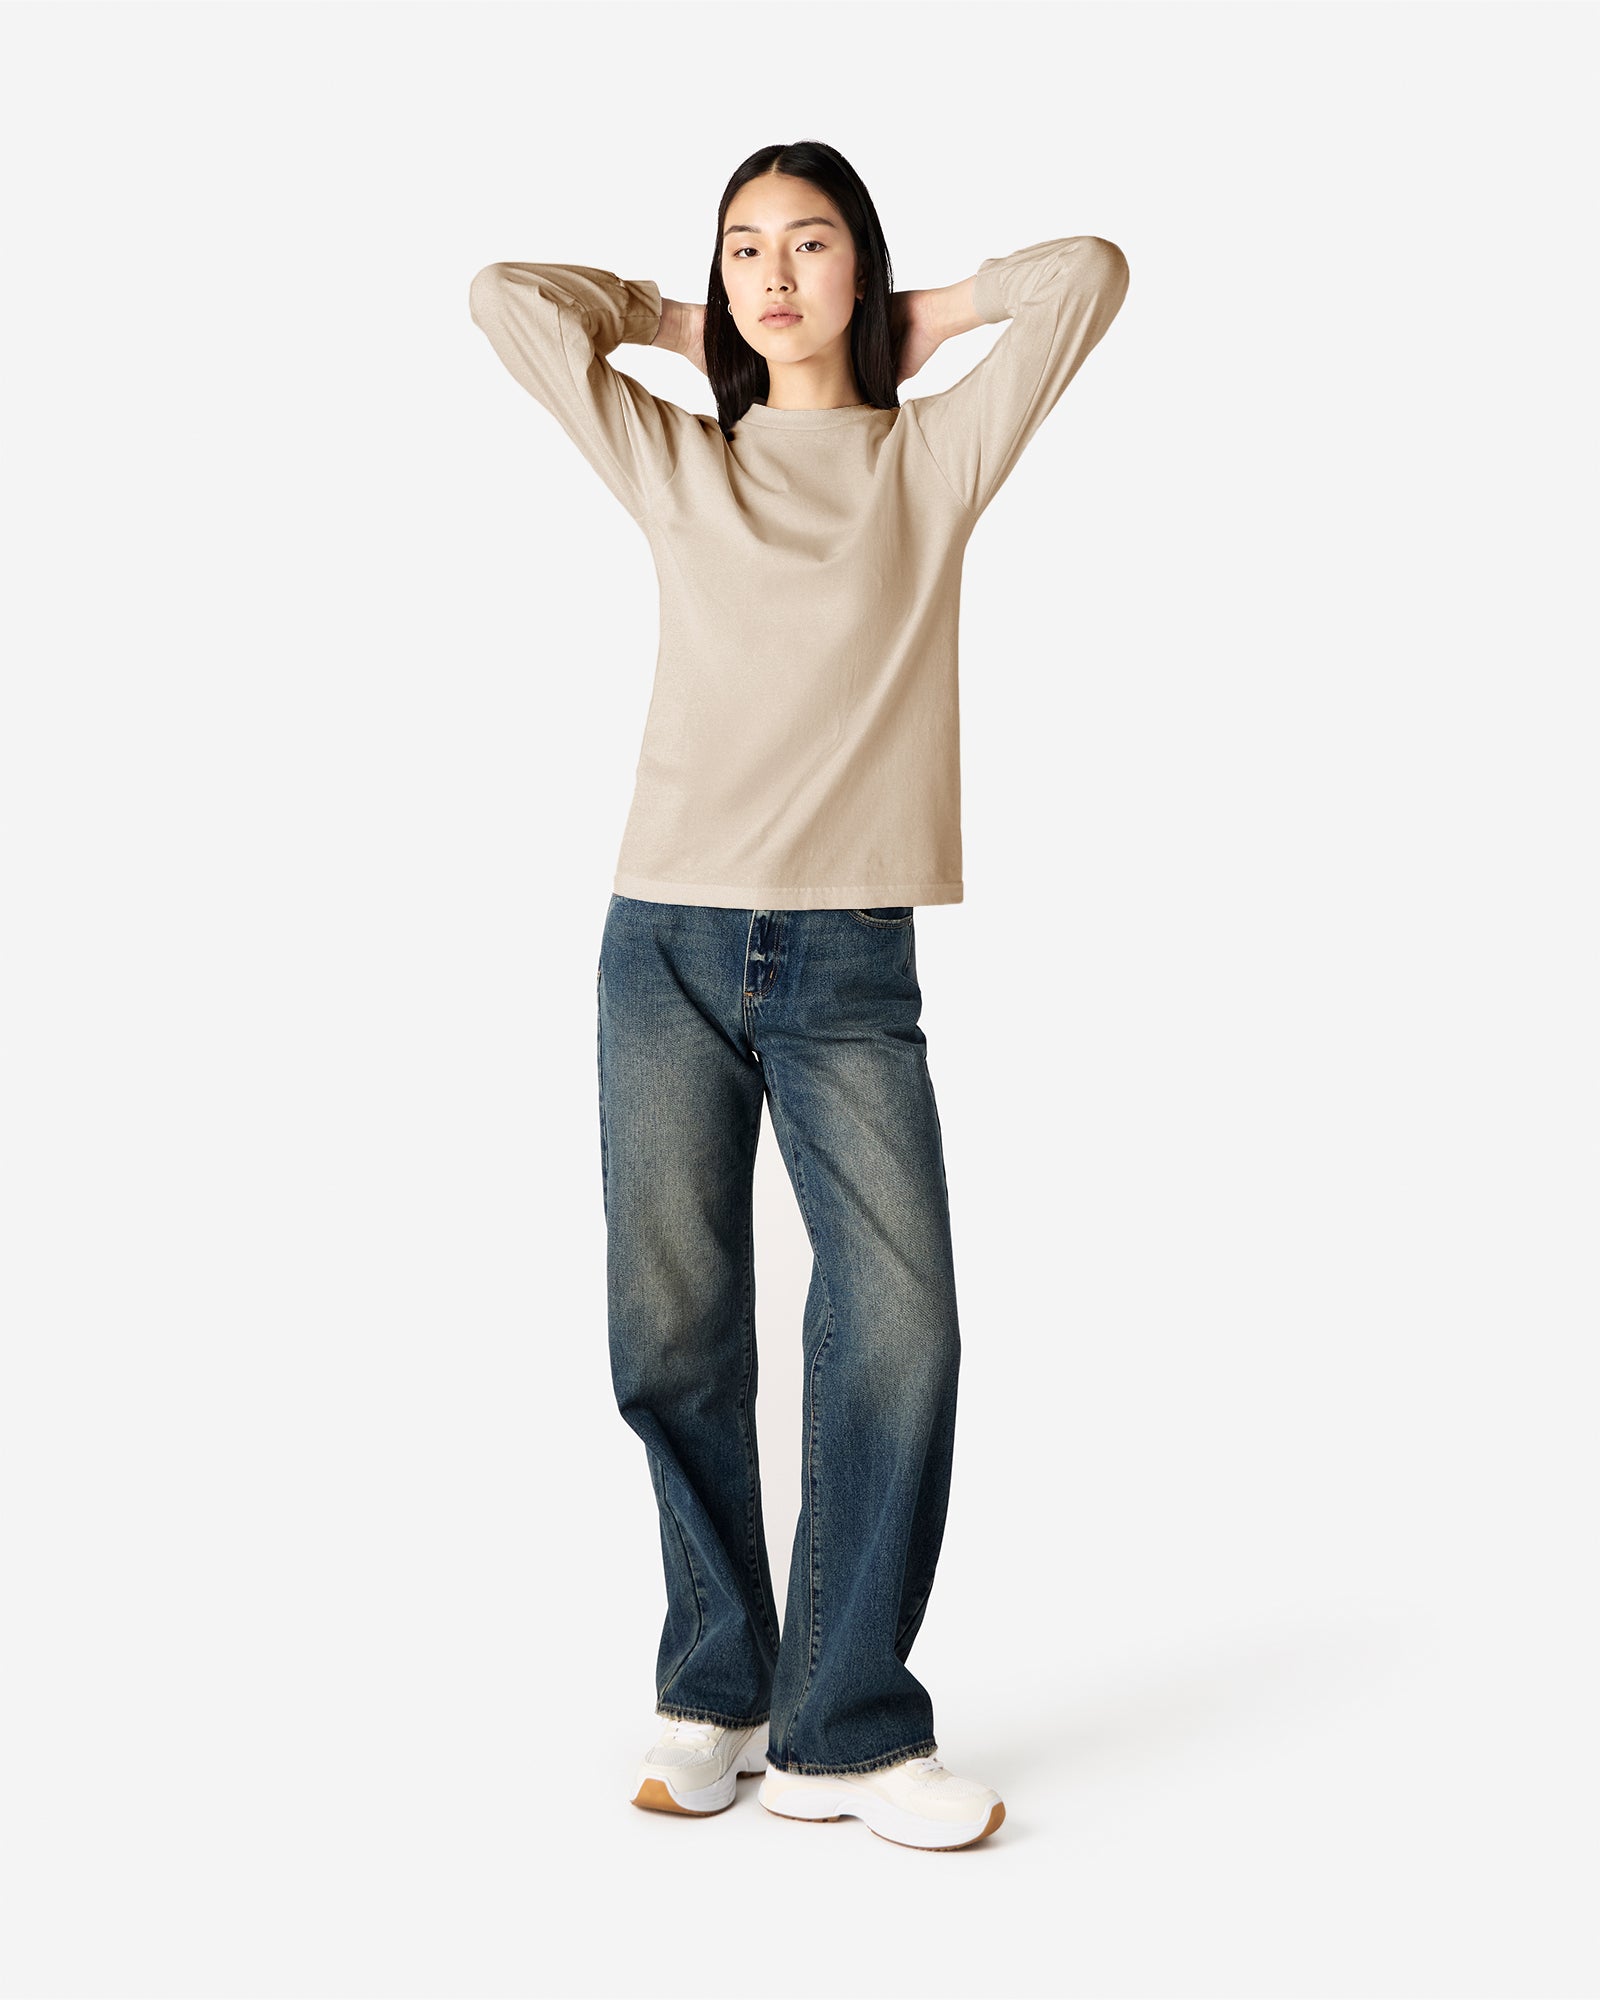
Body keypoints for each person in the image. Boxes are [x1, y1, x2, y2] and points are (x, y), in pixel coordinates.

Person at [469, 138, 1129, 1853]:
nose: (775, 272)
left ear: (863, 268)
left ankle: (849, 1726)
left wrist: (931, 312)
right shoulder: (682, 457)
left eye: (810, 243)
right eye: (746, 248)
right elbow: (507, 305)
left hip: (847, 959)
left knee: (900, 1327)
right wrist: (676, 323)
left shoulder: (934, 459)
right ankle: (716, 1689)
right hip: (663, 941)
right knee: (673, 1334)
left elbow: (1091, 275)